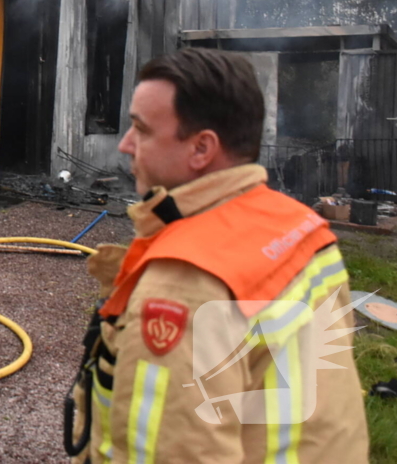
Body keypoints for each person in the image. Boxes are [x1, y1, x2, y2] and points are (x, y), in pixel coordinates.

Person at [67, 48, 368, 463]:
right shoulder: (301, 229)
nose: (125, 144)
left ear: (201, 148)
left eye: (141, 129)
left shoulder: (183, 283)